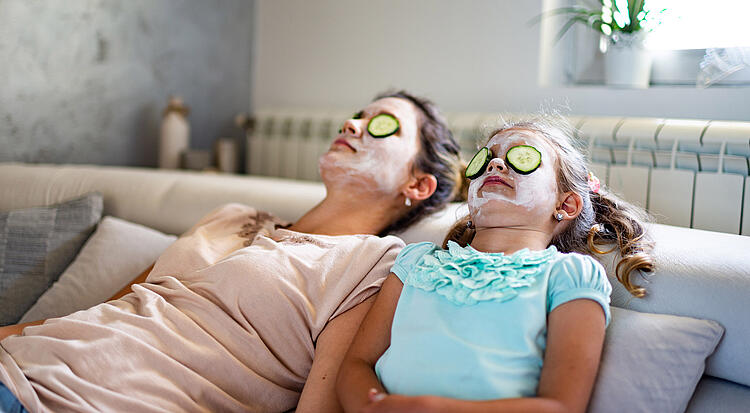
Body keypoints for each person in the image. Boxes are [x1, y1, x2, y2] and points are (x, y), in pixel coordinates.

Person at [0, 91, 463, 413]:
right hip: (23, 363)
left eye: (382, 125)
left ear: (416, 184)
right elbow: (108, 311)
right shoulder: (228, 215)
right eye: (356, 115)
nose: (351, 124)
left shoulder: (374, 265)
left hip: (73, 401)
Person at [337, 115, 655, 413]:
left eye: (522, 158)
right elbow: (356, 366)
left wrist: (434, 409)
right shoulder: (416, 262)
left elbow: (560, 406)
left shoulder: (568, 275)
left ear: (566, 203)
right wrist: (374, 405)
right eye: (486, 159)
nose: (497, 163)